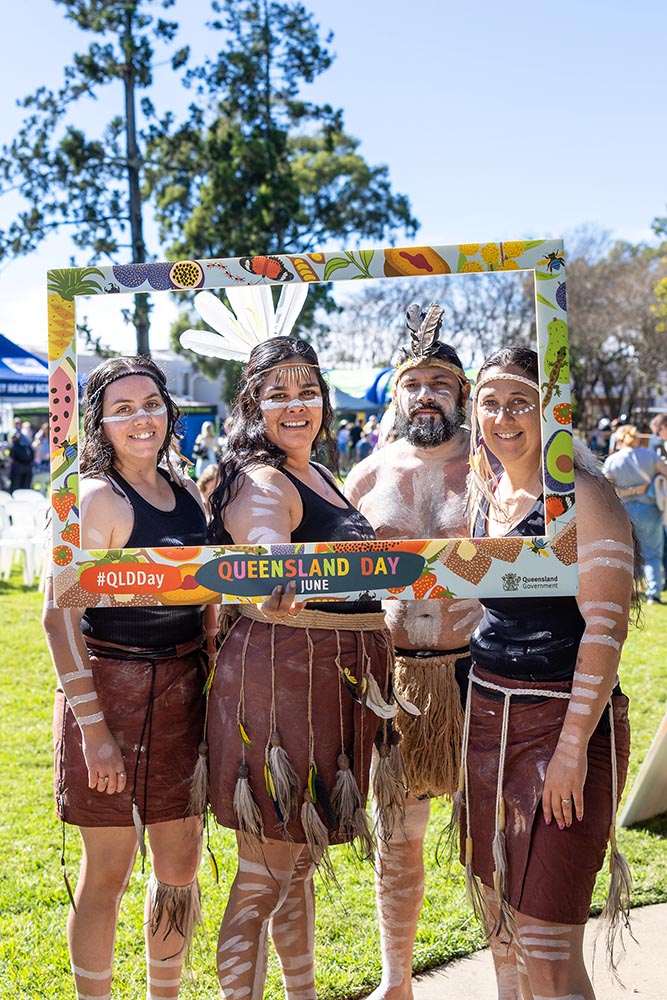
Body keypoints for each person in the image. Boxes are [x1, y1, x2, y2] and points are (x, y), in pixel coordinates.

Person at [181, 284, 394, 1000]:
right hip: (283, 685)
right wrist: (273, 562)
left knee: (296, 864)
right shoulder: (263, 477)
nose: (296, 404)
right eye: (277, 393)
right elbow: (264, 536)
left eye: (308, 389)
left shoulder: (322, 472)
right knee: (264, 873)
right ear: (251, 408)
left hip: (329, 683)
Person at [461, 346, 635, 1000]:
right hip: (489, 725)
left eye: (520, 402)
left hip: (566, 730)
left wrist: (568, 754)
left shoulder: (581, 496)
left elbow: (605, 628)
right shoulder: (490, 493)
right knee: (501, 927)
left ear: (549, 410)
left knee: (546, 946)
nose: (503, 416)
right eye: (490, 401)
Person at [42, 356, 209, 1000]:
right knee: (108, 869)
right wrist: (94, 730)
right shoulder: (94, 499)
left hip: (180, 690)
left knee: (180, 864)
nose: (141, 419)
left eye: (151, 404)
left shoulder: (189, 491)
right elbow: (57, 622)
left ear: (169, 409)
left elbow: (211, 591)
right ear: (100, 423)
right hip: (106, 691)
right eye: (123, 409)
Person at [345, 303, 481, 1000]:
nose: (425, 395)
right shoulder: (366, 477)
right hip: (394, 680)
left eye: (440, 383)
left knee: (488, 840)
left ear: (461, 394)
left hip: (481, 674)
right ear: (397, 395)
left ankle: (515, 976)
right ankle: (395, 982)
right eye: (413, 384)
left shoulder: (492, 469)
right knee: (397, 841)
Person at [603, 423, 667, 604]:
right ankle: (654, 593)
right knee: (653, 554)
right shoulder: (650, 455)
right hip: (650, 509)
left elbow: (607, 489)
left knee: (628, 554)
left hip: (625, 512)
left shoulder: (612, 461)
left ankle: (629, 593)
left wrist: (631, 491)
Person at [9, 421, 34, 492]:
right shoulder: (16, 439)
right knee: (16, 486)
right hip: (18, 467)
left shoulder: (28, 445)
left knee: (26, 487)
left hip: (27, 467)